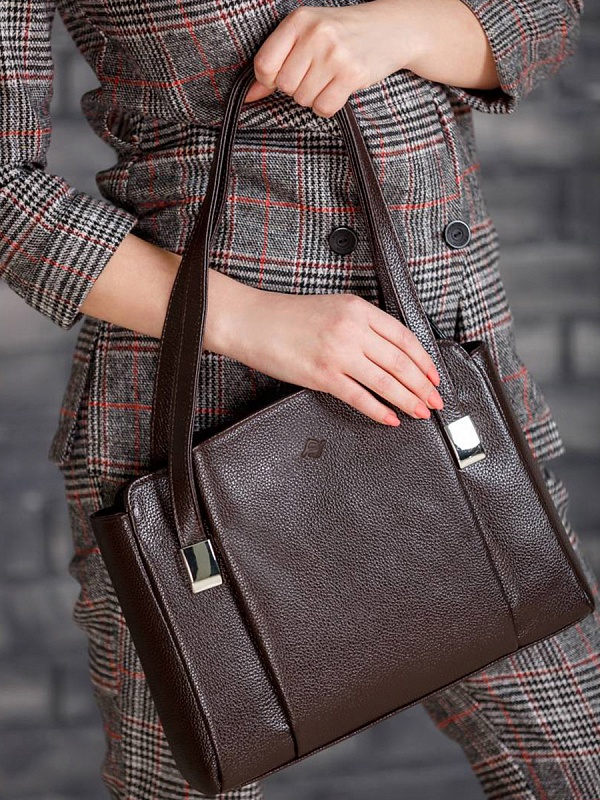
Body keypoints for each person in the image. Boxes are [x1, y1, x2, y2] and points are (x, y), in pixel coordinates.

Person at [1, 0, 598, 797]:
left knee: (578, 760)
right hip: (197, 421)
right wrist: (251, 321)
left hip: (444, 389)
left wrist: (406, 27)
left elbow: (545, 17)